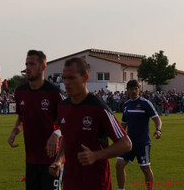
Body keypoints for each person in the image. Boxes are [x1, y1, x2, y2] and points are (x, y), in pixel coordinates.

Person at [49, 58, 132, 190]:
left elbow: (126, 144)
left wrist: (96, 155)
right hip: (71, 182)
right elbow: (67, 137)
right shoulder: (62, 107)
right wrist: (58, 161)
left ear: (85, 78)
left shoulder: (99, 108)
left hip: (96, 183)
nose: (66, 83)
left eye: (71, 78)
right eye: (64, 78)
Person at [8, 50, 65, 190]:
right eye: (26, 64)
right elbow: (21, 118)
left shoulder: (54, 93)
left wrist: (56, 134)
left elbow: (70, 122)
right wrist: (15, 131)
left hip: (52, 160)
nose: (28, 67)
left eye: (32, 64)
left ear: (43, 67)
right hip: (31, 160)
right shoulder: (20, 91)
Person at [115, 80, 161, 190]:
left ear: (139, 89)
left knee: (145, 168)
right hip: (128, 143)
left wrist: (158, 129)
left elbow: (157, 119)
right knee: (119, 164)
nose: (134, 91)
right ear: (127, 91)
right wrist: (118, 137)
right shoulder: (126, 105)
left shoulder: (145, 103)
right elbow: (123, 124)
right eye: (131, 89)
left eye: (136, 88)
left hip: (142, 142)